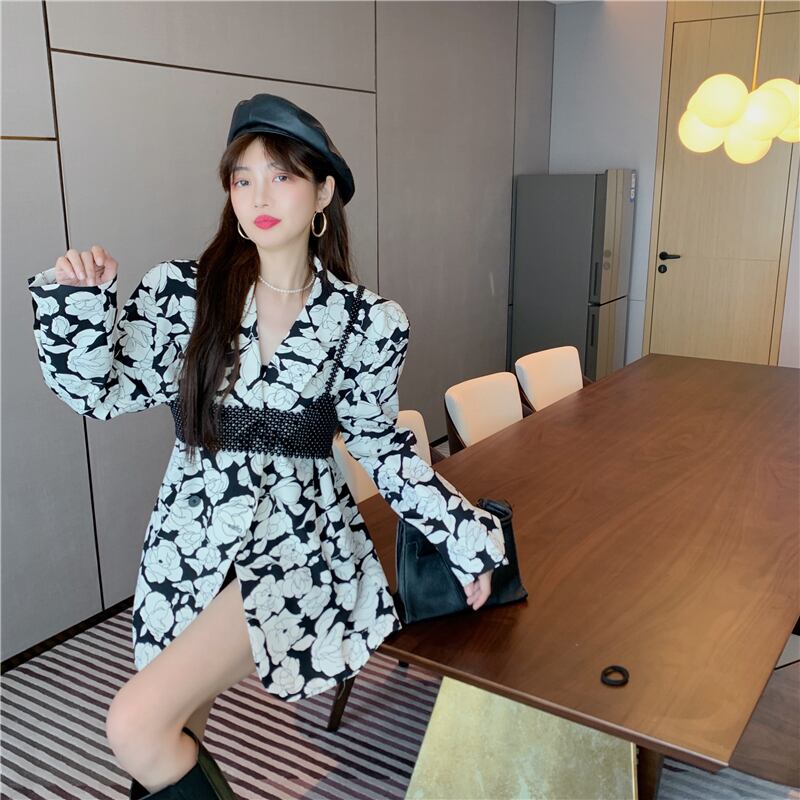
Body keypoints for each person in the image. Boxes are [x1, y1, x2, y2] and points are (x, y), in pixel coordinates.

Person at [25, 93, 509, 799]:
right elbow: (100, 393)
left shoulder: (366, 322)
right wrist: (80, 302)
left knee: (135, 723)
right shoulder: (185, 294)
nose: (259, 196)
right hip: (188, 544)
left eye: (282, 176)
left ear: (324, 192)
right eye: (242, 178)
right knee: (169, 736)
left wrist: (463, 535)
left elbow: (382, 446)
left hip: (294, 547)